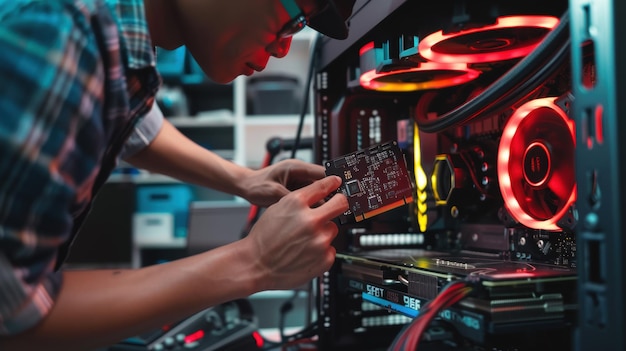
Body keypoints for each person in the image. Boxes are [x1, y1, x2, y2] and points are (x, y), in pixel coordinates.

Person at [0, 0, 356, 350]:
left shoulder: (112, 36)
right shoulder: (64, 35)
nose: (282, 49)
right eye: (295, 20)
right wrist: (255, 261)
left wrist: (246, 179)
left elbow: (133, 119)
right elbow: (11, 315)